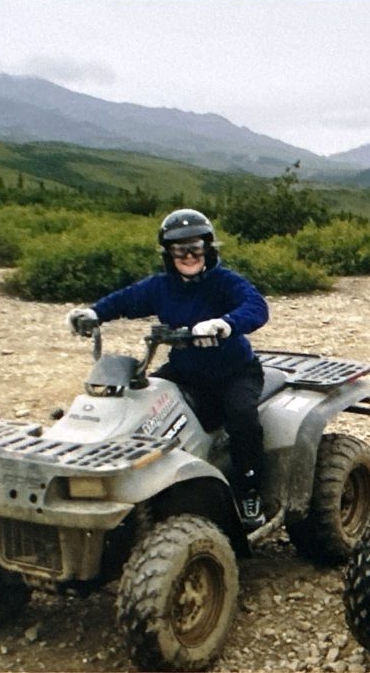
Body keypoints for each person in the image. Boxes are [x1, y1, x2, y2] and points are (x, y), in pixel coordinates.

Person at [66, 208, 270, 526]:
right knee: (138, 403)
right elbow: (125, 299)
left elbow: (256, 307)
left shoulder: (225, 282)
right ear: (168, 254)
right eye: (179, 250)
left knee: (242, 417)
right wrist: (93, 314)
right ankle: (121, 481)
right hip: (184, 371)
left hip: (234, 372)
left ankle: (249, 494)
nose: (188, 256)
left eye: (196, 248)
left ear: (208, 250)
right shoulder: (161, 286)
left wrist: (225, 323)